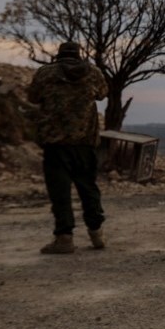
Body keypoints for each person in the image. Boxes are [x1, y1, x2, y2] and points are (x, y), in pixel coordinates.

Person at [27, 41, 109, 254]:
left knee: (60, 192)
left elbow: (33, 97)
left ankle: (64, 238)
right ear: (79, 55)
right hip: (85, 142)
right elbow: (102, 93)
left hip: (56, 143)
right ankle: (96, 233)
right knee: (88, 187)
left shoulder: (45, 74)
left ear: (58, 55)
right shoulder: (93, 73)